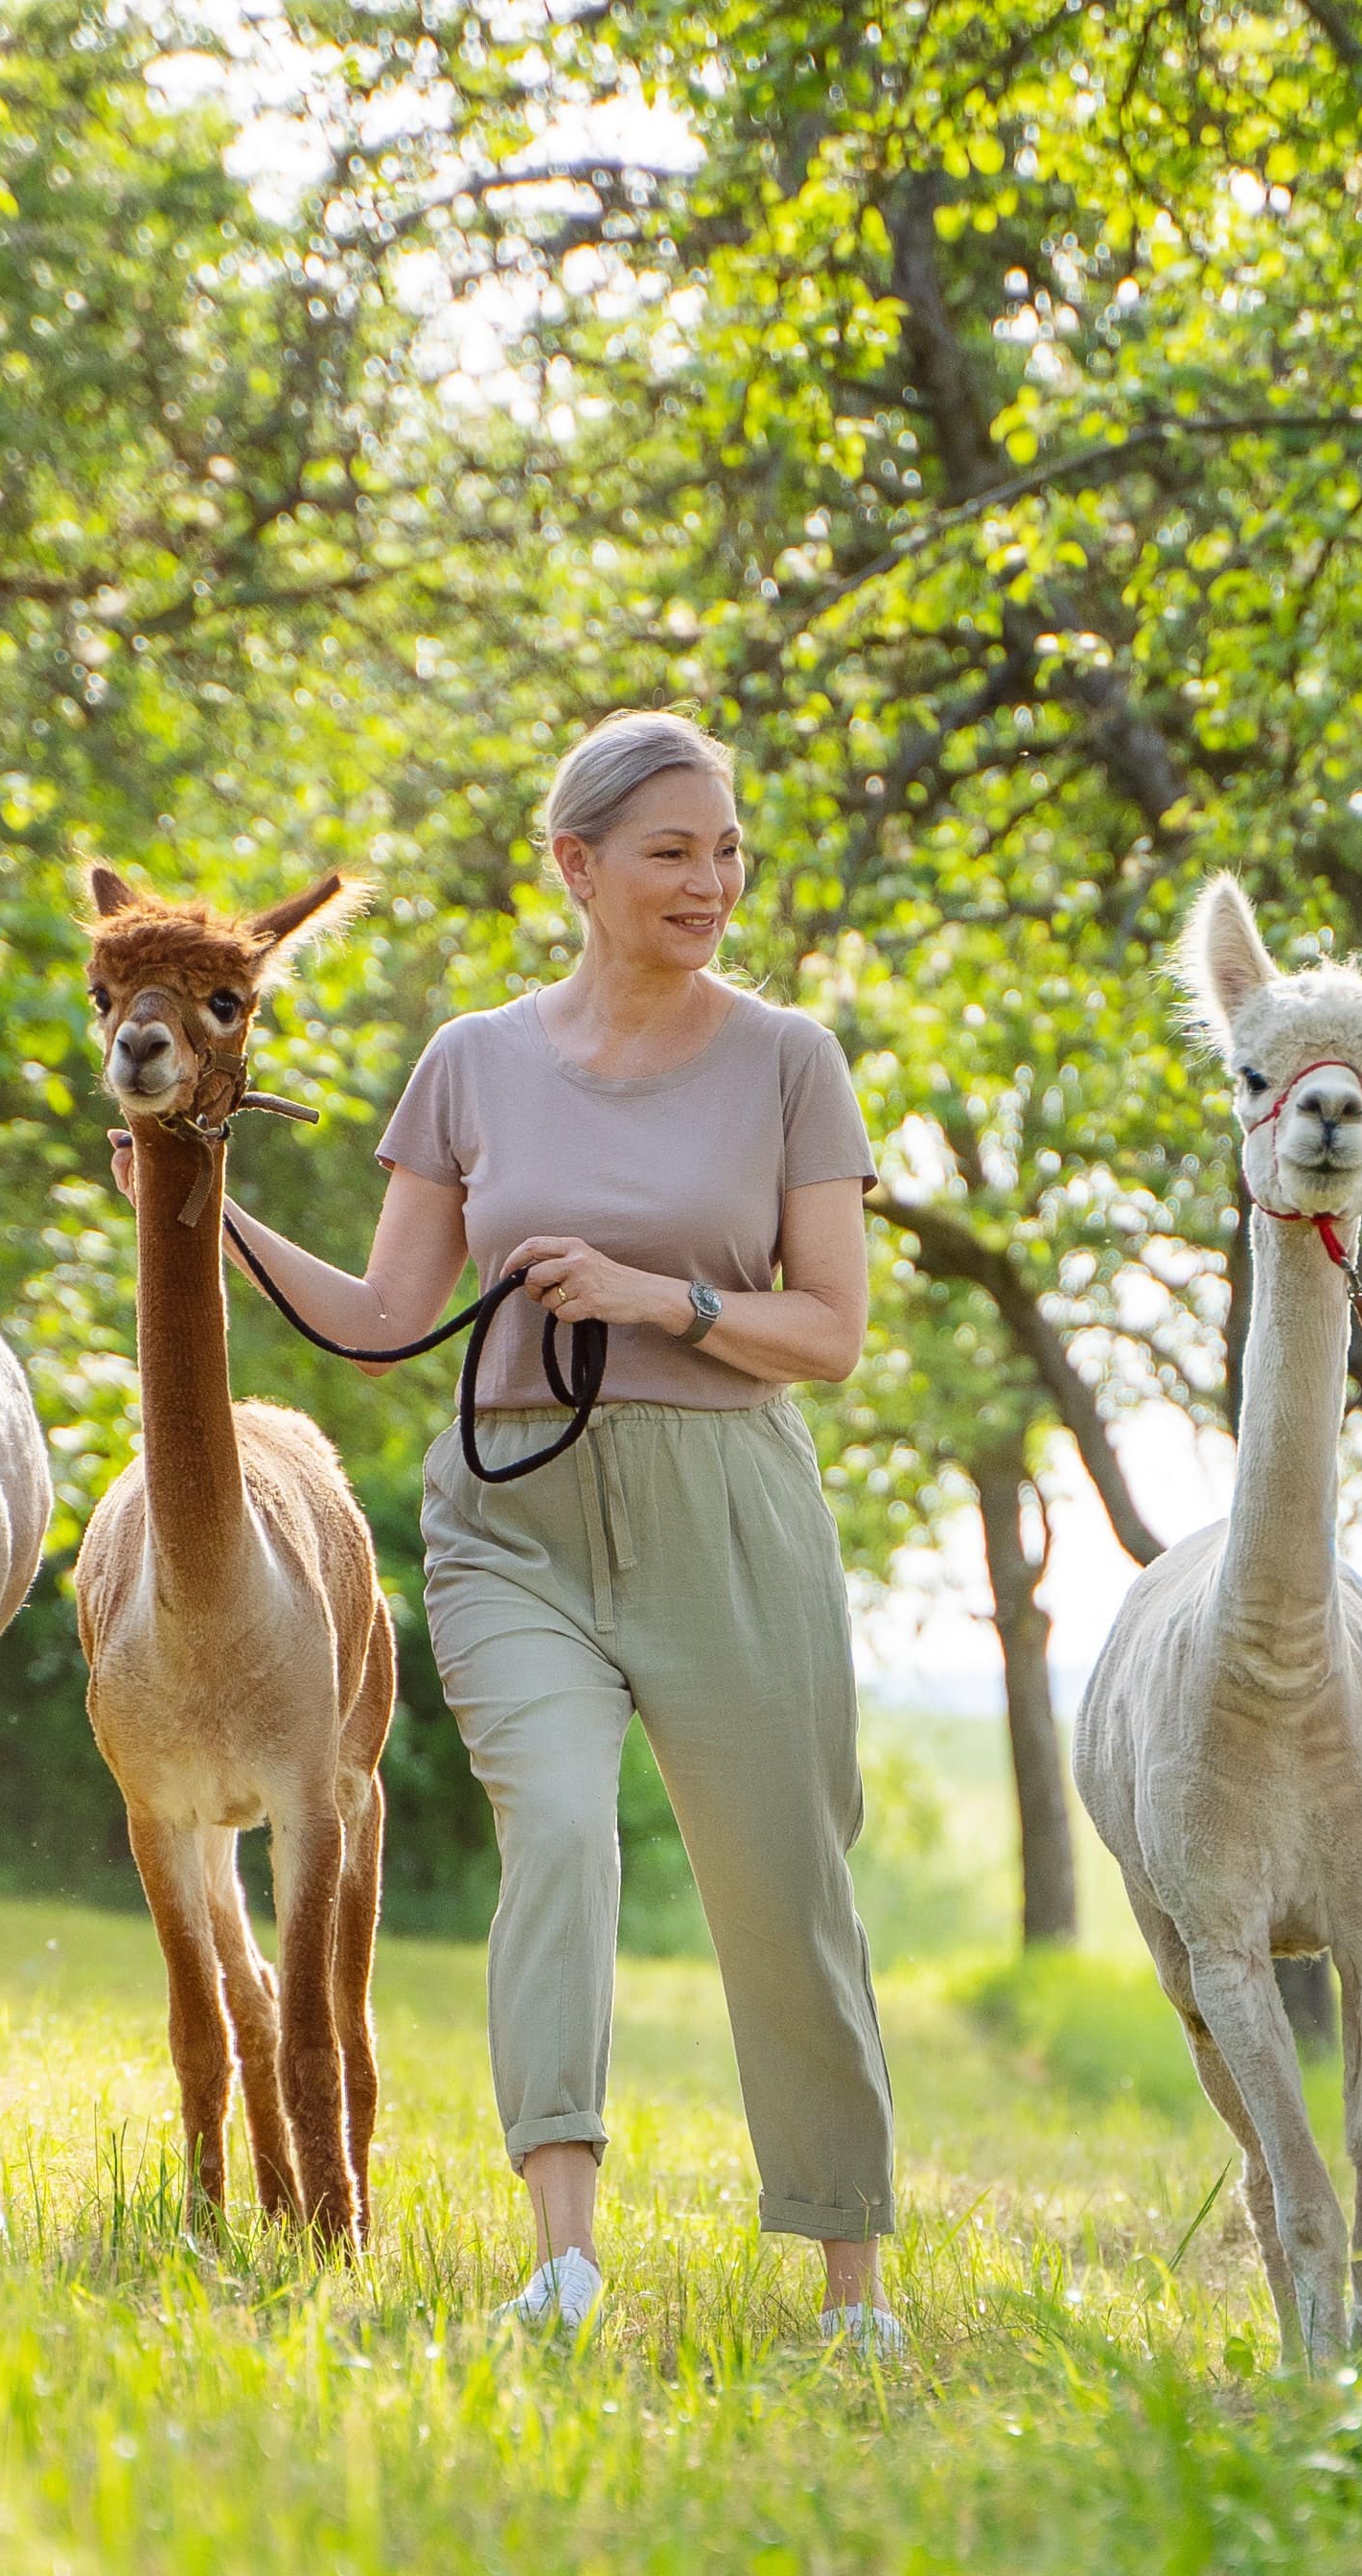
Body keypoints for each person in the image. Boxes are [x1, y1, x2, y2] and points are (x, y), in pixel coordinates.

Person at [186, 708, 901, 2347]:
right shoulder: (473, 1060)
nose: (711, 880)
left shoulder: (788, 1058)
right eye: (672, 852)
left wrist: (663, 1297)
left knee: (784, 1881)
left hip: (727, 1506)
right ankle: (564, 2262)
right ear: (576, 867)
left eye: (726, 850)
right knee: (562, 1834)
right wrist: (202, 1208)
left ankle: (851, 2278)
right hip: (511, 1512)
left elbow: (831, 1332)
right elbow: (381, 1317)